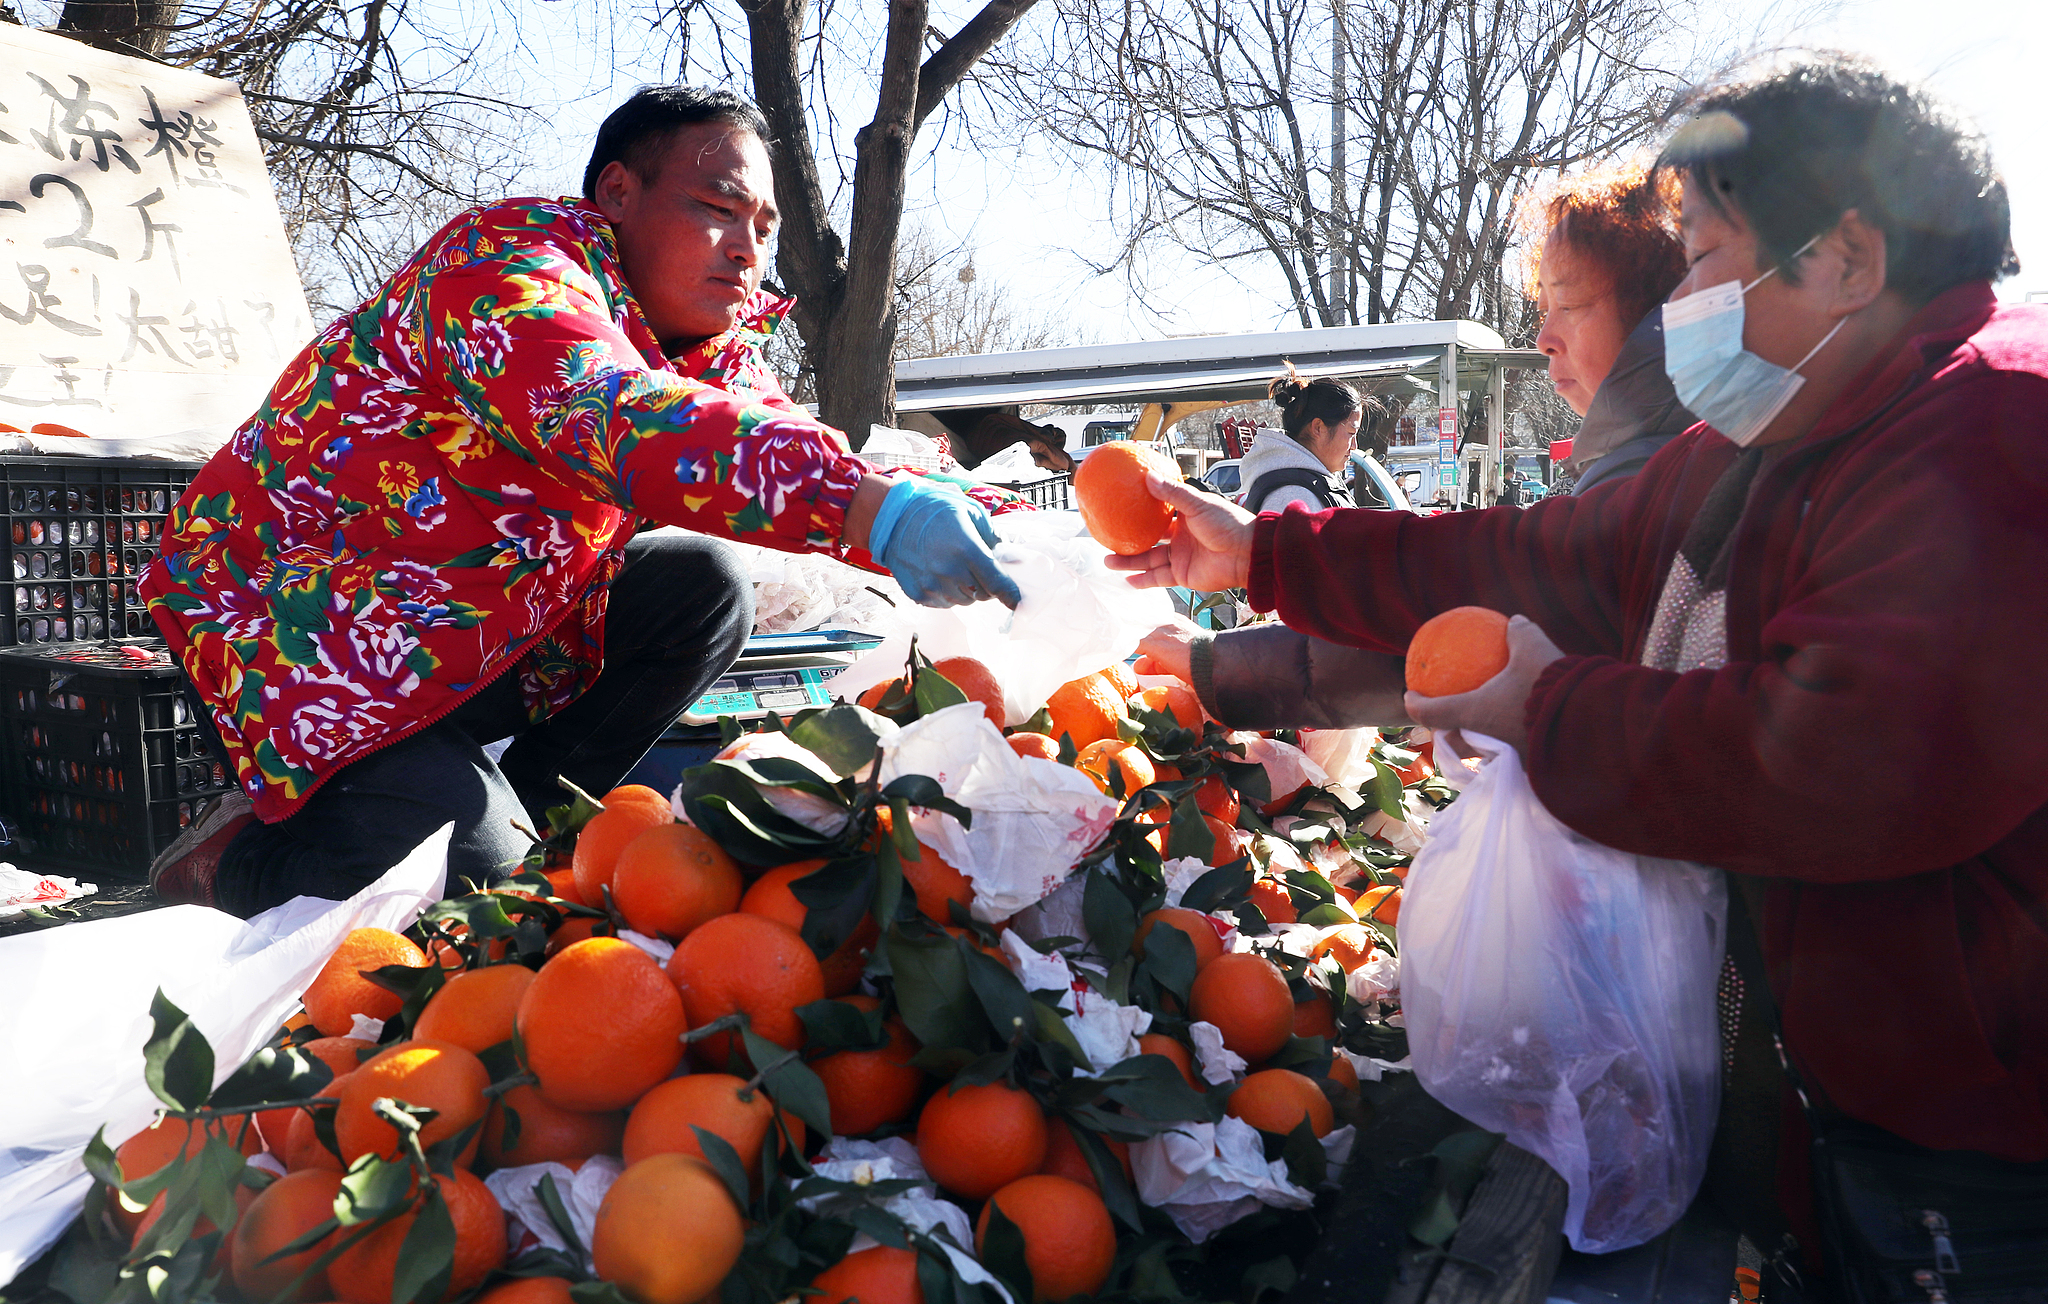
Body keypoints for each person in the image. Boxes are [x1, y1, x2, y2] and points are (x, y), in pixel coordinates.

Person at [1117, 57, 2048, 1280]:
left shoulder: (1988, 428)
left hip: (1974, 1142)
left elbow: (1833, 761)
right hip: (1840, 1091)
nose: (1687, 307)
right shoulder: (1783, 426)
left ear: (1845, 257)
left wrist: (1547, 708)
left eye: (1709, 259)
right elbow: (1533, 552)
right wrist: (1267, 552)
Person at [141, 85, 1020, 917]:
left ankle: (516, 822)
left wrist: (1024, 526)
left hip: (460, 628)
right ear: (618, 192)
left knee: (704, 586)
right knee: (472, 886)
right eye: (718, 209)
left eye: (762, 226)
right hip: (298, 626)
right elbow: (610, 408)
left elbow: (780, 440)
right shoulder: (508, 269)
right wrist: (865, 508)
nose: (749, 250)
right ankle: (232, 863)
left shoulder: (699, 349)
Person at [1527, 165, 1696, 493]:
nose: (1543, 340)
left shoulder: (1639, 484)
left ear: (1653, 315)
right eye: (1544, 312)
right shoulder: (1611, 465)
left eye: (1569, 305)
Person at [1237, 371, 1361, 512]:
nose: (1354, 446)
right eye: (1351, 433)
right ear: (1318, 428)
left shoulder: (1304, 486)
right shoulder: (1293, 496)